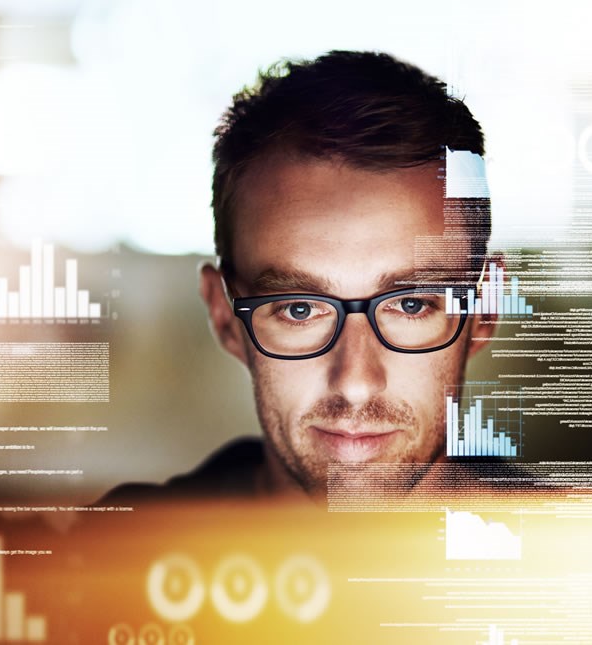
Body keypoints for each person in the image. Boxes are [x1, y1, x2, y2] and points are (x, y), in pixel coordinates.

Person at [100, 50, 499, 507]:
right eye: (300, 309)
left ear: (485, 307)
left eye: (411, 305)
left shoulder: (584, 564)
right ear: (224, 314)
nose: (354, 382)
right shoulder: (92, 560)